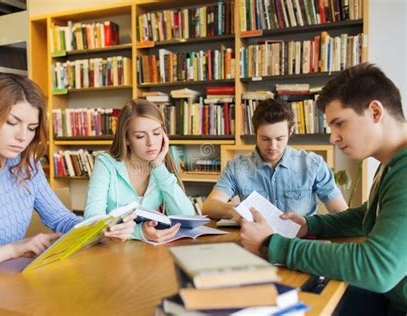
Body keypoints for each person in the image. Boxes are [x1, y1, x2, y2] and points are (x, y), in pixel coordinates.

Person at [0, 74, 136, 283]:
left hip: (14, 287)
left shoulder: (27, 167)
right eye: (12, 122)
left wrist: (103, 231)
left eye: (31, 128)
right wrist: (11, 250)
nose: (23, 137)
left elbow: (62, 220)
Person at [240, 63, 406, 315]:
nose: (333, 137)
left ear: (374, 111)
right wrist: (309, 225)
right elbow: (367, 214)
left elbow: (377, 268)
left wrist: (272, 243)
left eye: (340, 124)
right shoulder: (392, 164)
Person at [202, 98, 347, 219]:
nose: (272, 146)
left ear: (290, 131)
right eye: (265, 138)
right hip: (254, 243)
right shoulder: (236, 167)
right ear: (255, 132)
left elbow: (341, 212)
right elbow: (209, 206)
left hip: (301, 244)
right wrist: (236, 211)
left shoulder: (313, 165)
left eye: (280, 138)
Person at [84, 99, 195, 243]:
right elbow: (92, 221)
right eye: (140, 136)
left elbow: (187, 217)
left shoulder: (160, 166)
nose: (151, 142)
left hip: (149, 253)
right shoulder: (106, 164)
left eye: (156, 133)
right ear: (127, 139)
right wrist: (139, 232)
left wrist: (158, 166)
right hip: (110, 252)